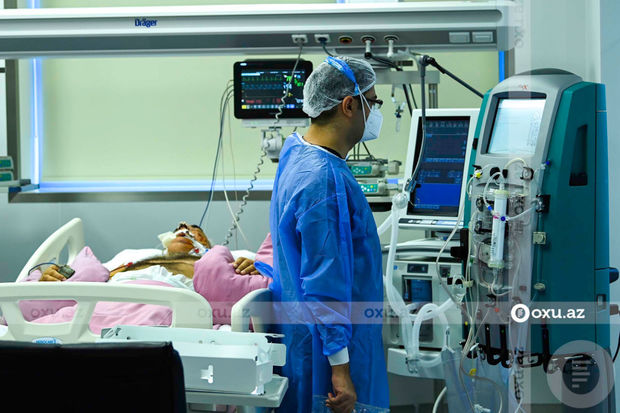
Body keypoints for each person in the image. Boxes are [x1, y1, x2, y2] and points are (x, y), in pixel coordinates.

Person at [269, 56, 389, 413]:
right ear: (349, 105)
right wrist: (341, 370)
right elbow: (324, 281)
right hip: (329, 358)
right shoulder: (322, 179)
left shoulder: (296, 150)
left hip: (307, 338)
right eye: (373, 102)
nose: (375, 112)